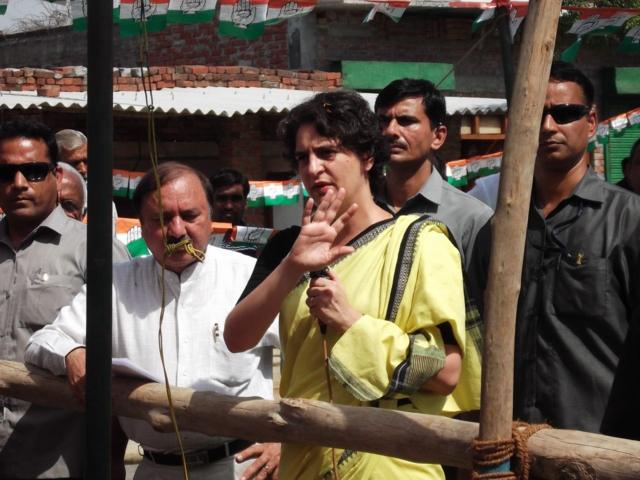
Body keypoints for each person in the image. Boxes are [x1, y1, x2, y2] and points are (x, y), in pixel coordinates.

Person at [225, 91, 472, 479]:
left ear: (368, 158)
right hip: (303, 462)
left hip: (390, 464)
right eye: (302, 157)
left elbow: (445, 371)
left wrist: (352, 323)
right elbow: (236, 337)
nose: (313, 168)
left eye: (327, 152)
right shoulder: (287, 247)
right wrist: (292, 266)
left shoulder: (419, 241)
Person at [26, 162, 281, 480]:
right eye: (161, 220)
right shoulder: (116, 284)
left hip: (242, 467)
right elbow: (44, 341)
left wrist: (287, 439)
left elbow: (310, 357)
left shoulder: (248, 276)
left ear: (210, 217)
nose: (177, 231)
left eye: (189, 216)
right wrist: (72, 354)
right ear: (142, 226)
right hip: (156, 470)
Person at [513, 62, 640, 433]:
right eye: (535, 113)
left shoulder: (629, 219)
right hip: (512, 443)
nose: (548, 126)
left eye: (565, 113)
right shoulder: (502, 226)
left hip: (601, 446)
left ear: (592, 122)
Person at [374, 79, 493, 416]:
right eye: (383, 121)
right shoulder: (359, 210)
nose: (390, 131)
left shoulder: (472, 218)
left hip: (447, 406)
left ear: (438, 136)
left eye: (406, 121)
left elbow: (486, 317)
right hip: (367, 393)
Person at [0, 119, 87, 478]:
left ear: (55, 175)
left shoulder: (92, 251)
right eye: (6, 173)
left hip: (54, 463)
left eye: (33, 172)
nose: (19, 184)